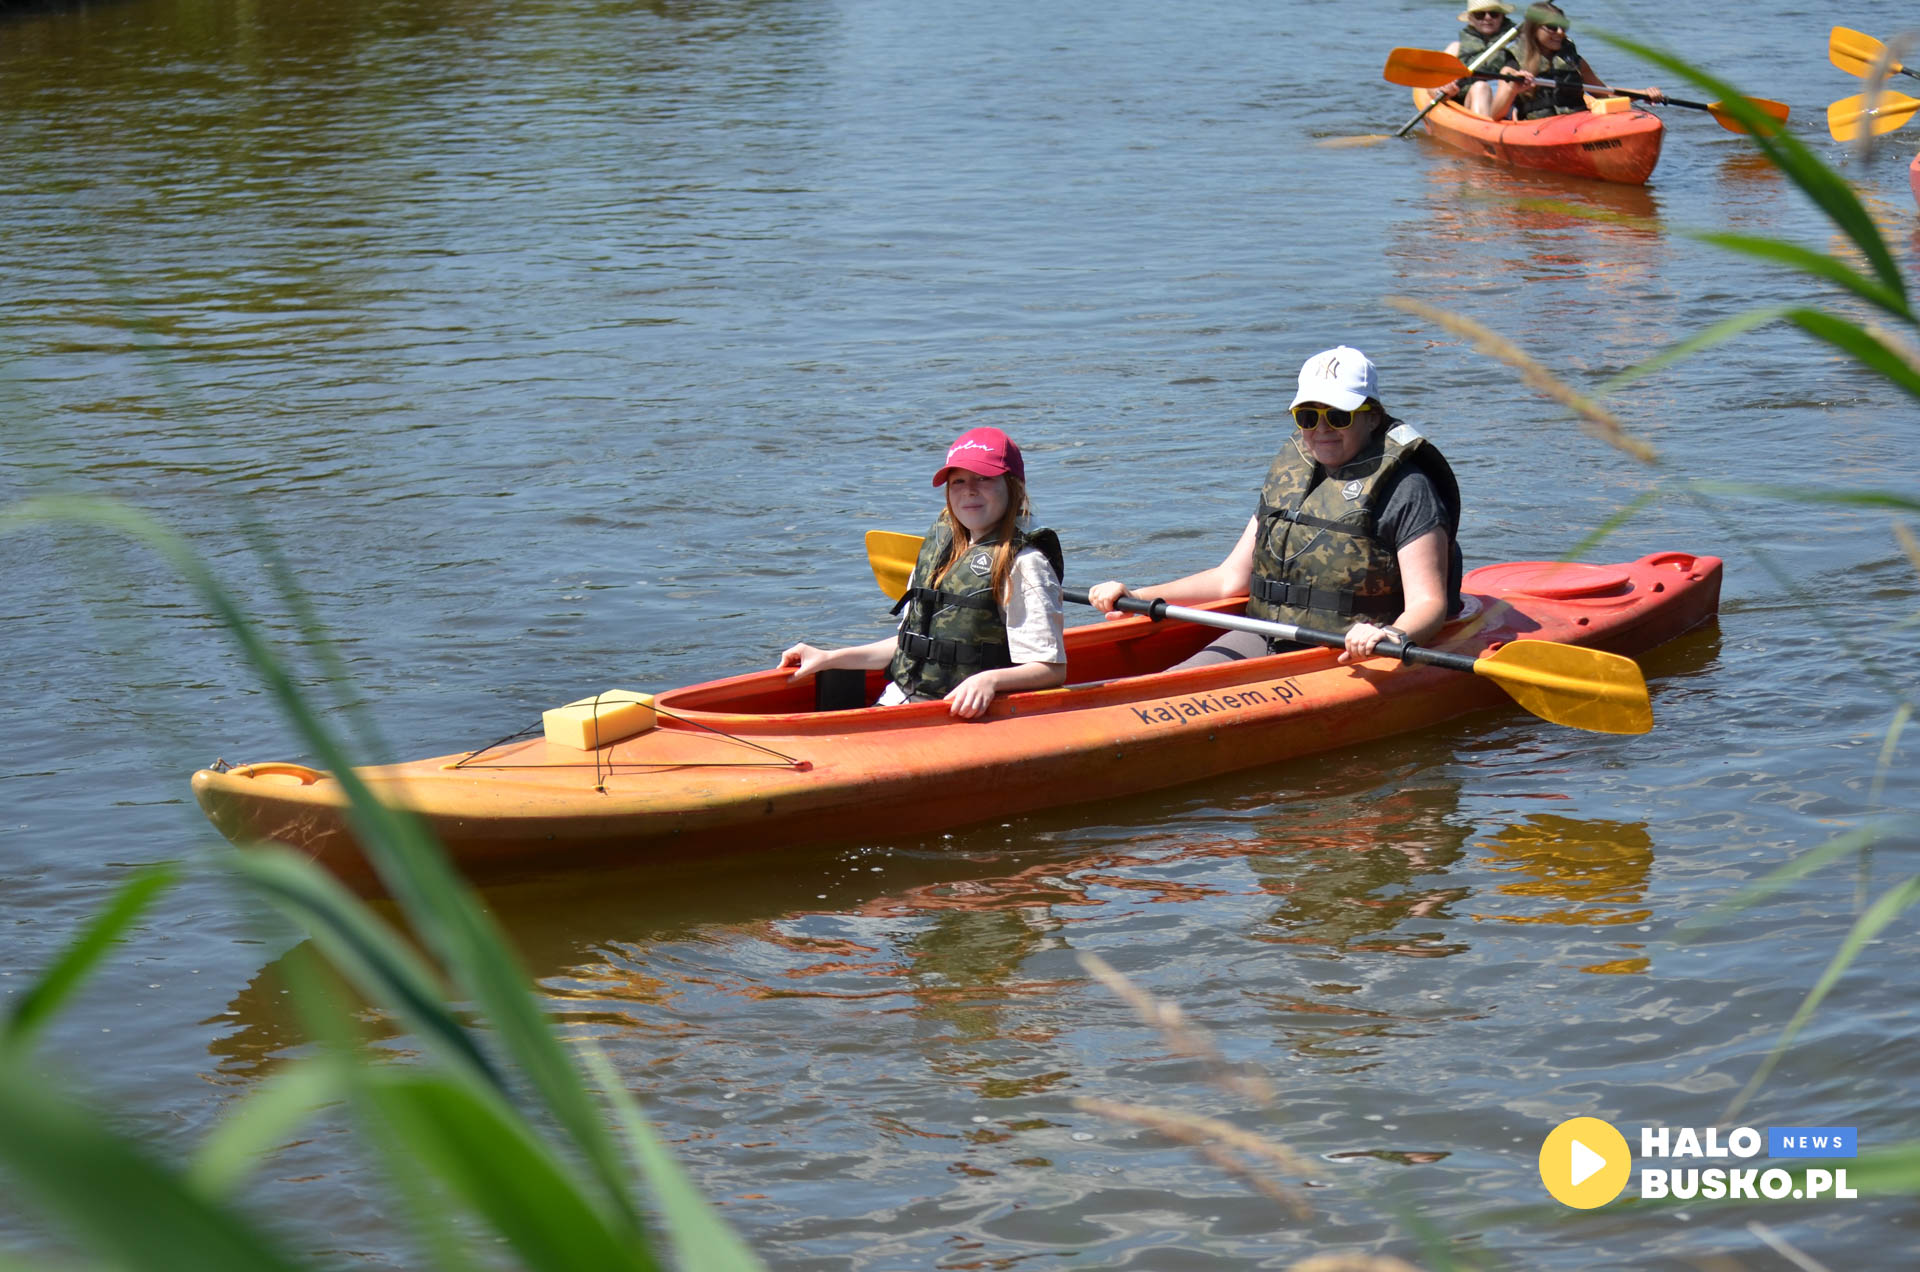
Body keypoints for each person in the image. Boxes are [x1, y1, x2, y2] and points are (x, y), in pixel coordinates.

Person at [1087, 346, 1462, 667]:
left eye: (1338, 416)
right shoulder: (1291, 477)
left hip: (1350, 650)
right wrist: (1138, 596)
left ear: (1372, 416)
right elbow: (1230, 579)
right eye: (1308, 416)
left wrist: (1392, 634)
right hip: (1267, 633)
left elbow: (1429, 603)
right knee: (1173, 684)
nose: (1322, 429)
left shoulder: (1409, 489)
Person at [781, 427, 1066, 719]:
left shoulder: (1025, 564)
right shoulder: (940, 552)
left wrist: (989, 680)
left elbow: (1051, 669)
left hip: (960, 714)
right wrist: (829, 657)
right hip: (899, 702)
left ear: (1014, 485)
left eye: (984, 478)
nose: (969, 490)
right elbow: (913, 645)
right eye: (958, 481)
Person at [1489, 3, 1662, 121]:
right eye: (1552, 27)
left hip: (1577, 122)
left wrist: (1644, 93)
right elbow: (1495, 114)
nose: (1560, 32)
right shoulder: (1513, 65)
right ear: (1534, 30)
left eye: (1563, 27)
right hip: (1537, 127)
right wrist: (1512, 90)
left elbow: (1604, 93)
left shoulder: (1573, 61)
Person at [1441, 3, 1522, 118]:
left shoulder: (1516, 45)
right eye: (1479, 14)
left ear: (1502, 17)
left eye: (1494, 14)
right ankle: (1482, 125)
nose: (1487, 18)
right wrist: (1445, 90)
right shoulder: (1456, 48)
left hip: (1505, 103)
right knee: (1480, 87)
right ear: (1470, 19)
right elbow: (1433, 86)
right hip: (1470, 100)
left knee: (1481, 87)